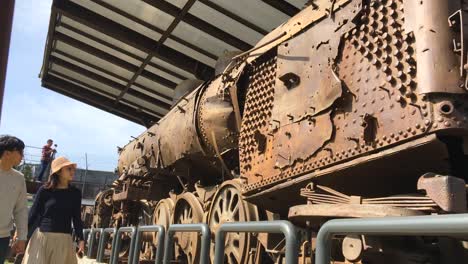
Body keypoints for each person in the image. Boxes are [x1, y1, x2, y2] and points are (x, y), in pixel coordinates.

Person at [22, 156, 85, 264]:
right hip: (42, 239)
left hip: (64, 241)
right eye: (68, 169)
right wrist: (22, 235)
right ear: (59, 172)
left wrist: (81, 239)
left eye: (73, 168)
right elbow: (33, 213)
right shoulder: (45, 190)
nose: (72, 171)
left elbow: (76, 218)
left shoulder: (75, 193)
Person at [0, 135, 28, 263]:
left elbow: (21, 209)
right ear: (7, 153)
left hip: (2, 237)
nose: (23, 156)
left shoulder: (19, 178)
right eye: (20, 152)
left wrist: (22, 237)